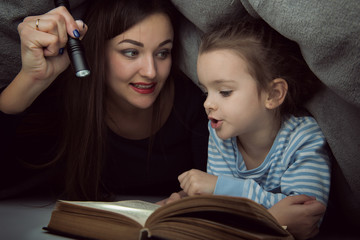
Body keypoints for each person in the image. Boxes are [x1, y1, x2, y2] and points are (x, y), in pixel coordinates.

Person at [0, 0, 208, 200]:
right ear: (97, 52)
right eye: (131, 52)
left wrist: (192, 199)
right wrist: (31, 79)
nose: (151, 72)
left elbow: (218, 183)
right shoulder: (66, 104)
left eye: (163, 53)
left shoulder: (197, 105)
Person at [160, 16, 331, 239]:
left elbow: (307, 215)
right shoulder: (220, 134)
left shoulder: (303, 139)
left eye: (224, 92)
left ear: (273, 94)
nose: (207, 103)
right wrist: (187, 199)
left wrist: (222, 188)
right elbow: (221, 209)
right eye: (206, 92)